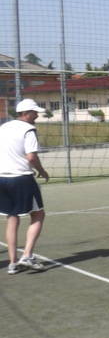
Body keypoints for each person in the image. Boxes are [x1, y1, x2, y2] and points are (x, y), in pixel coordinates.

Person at [1, 99, 49, 275]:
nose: (37, 115)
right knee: (38, 214)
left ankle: (12, 263)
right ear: (27, 113)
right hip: (21, 178)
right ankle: (27, 255)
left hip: (2, 178)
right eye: (35, 112)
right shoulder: (28, 129)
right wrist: (42, 171)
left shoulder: (3, 127)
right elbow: (31, 157)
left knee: (12, 219)